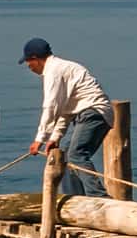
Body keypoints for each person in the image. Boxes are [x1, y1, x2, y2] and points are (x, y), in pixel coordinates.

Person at [20, 38, 112, 198]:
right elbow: (65, 111)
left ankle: (99, 197)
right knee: (67, 157)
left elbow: (51, 106)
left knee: (77, 155)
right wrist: (55, 137)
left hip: (93, 111)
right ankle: (75, 198)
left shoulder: (53, 71)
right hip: (91, 113)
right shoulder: (60, 68)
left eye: (28, 62)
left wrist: (39, 139)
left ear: (35, 58)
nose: (28, 67)